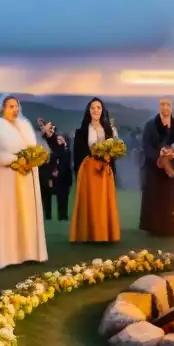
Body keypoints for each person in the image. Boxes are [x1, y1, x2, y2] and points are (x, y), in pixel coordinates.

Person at [0, 95, 48, 269]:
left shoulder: (24, 126)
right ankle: (7, 255)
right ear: (2, 108)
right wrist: (16, 161)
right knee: (9, 215)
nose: (15, 110)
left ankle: (28, 252)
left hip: (26, 179)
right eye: (11, 106)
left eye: (16, 106)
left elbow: (32, 148)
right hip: (7, 180)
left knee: (26, 214)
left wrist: (32, 160)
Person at [70, 98, 121, 243]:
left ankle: (105, 234)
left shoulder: (109, 130)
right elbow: (78, 153)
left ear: (102, 110)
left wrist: (109, 157)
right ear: (89, 110)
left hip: (105, 169)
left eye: (98, 108)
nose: (96, 110)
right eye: (93, 108)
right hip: (89, 170)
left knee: (104, 201)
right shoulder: (82, 131)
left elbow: (115, 150)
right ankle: (90, 234)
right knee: (91, 202)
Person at [139, 98, 174, 237]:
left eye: (168, 105)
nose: (165, 107)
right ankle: (156, 228)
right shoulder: (150, 125)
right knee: (157, 197)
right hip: (156, 168)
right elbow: (146, 145)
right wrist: (159, 154)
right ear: (159, 107)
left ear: (172, 108)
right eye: (162, 105)